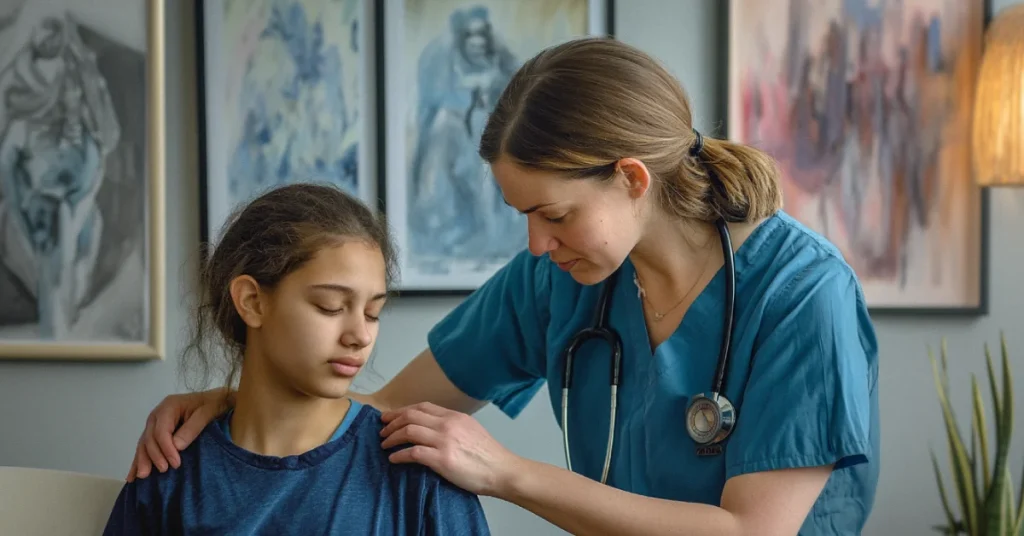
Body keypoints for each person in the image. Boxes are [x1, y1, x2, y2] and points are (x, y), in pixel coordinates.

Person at [127, 38, 879, 536]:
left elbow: (751, 533)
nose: (534, 245)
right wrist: (236, 402)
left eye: (553, 214)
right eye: (524, 216)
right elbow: (385, 413)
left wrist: (507, 473)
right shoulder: (557, 278)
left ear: (630, 179)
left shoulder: (801, 295)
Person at [104, 183, 491, 535]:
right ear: (252, 302)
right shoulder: (171, 471)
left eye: (372, 313)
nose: (360, 336)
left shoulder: (418, 472)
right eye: (330, 306)